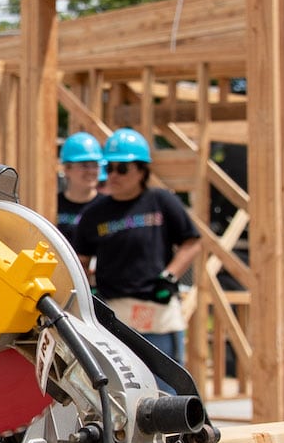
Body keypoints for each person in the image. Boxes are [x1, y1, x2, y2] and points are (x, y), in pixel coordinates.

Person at [70, 127, 201, 365]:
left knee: (168, 392)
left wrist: (170, 277)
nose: (113, 175)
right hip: (114, 313)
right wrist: (88, 290)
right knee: (121, 393)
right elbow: (80, 260)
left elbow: (191, 242)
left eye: (122, 168)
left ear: (142, 170)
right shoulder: (94, 214)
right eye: (109, 168)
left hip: (156, 312)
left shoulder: (161, 202)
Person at [56, 130, 106, 229]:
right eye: (85, 165)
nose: (91, 171)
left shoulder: (107, 207)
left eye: (95, 165)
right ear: (67, 169)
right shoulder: (53, 206)